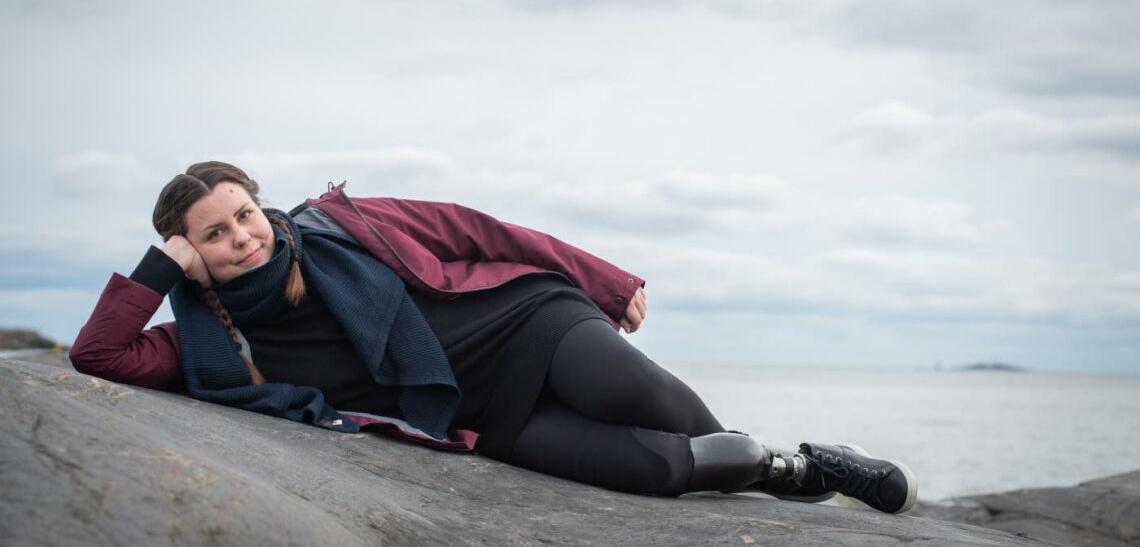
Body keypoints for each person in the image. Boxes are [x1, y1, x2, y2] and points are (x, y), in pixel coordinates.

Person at [70, 161, 918, 514]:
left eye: (244, 215)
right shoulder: (211, 345)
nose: (242, 238)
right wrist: (155, 268)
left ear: (262, 205)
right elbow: (100, 356)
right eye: (212, 236)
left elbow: (473, 230)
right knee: (657, 469)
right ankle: (776, 466)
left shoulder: (339, 224)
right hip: (478, 414)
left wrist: (603, 280)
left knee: (651, 403)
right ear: (194, 255)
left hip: (520, 326)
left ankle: (805, 466)